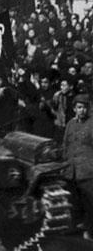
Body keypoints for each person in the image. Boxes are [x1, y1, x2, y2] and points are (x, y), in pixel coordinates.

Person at [63, 94, 93, 239]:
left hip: (87, 171)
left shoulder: (92, 124)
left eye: (85, 107)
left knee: (90, 203)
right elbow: (65, 145)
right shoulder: (70, 124)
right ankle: (76, 229)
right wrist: (64, 164)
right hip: (71, 171)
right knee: (74, 202)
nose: (82, 110)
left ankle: (90, 231)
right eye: (79, 107)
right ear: (74, 109)